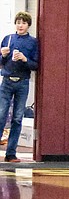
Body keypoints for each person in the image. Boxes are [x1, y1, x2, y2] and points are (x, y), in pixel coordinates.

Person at [0, 11, 38, 163]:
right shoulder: (7, 39)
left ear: (28, 25)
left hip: (22, 82)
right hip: (7, 81)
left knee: (17, 118)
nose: (20, 25)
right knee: (1, 115)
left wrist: (24, 59)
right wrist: (2, 55)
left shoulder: (33, 42)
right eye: (18, 22)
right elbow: (1, 62)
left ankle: (11, 153)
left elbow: (35, 65)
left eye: (23, 23)